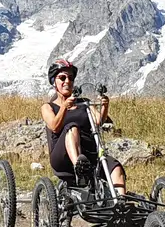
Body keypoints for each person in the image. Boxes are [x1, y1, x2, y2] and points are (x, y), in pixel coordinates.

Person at [40, 59, 124, 194]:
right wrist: (64, 108)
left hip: (89, 152)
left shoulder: (84, 102)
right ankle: (80, 170)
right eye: (62, 78)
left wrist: (105, 106)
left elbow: (98, 121)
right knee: (72, 127)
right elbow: (54, 127)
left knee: (115, 168)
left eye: (70, 78)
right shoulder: (48, 107)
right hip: (62, 156)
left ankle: (120, 202)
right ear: (54, 82)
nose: (67, 81)